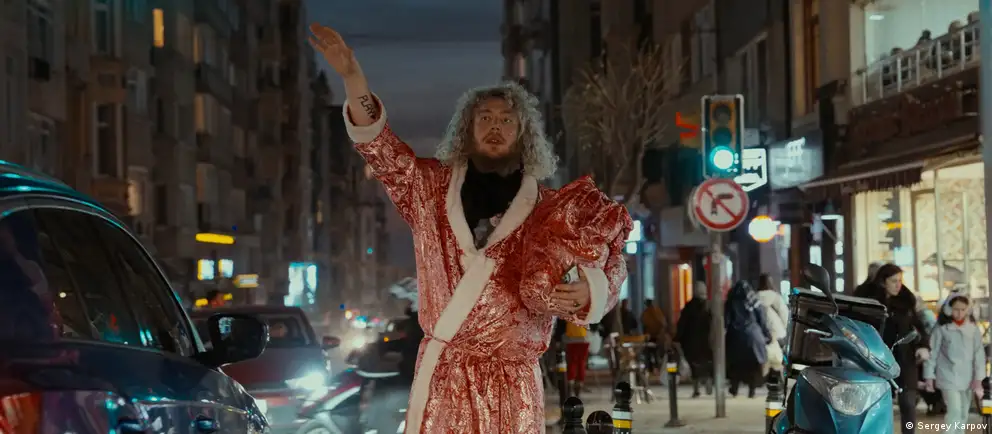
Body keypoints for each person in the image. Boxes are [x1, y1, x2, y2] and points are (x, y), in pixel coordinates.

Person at [309, 24, 631, 433]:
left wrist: (592, 288)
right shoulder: (428, 190)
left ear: (523, 133)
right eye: (485, 117)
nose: (495, 126)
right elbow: (381, 149)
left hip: (514, 386)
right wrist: (353, 78)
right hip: (446, 380)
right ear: (468, 127)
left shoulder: (550, 210)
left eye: (507, 119)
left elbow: (611, 259)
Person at [854, 263, 930, 434]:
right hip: (877, 359)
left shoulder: (906, 302)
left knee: (908, 404)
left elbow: (918, 326)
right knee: (878, 404)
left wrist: (922, 346)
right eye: (894, 281)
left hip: (905, 358)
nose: (898, 285)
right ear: (883, 282)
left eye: (900, 281)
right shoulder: (869, 301)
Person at [924, 294, 984, 434]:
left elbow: (979, 355)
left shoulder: (973, 330)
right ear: (949, 310)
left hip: (967, 377)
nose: (959, 313)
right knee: (954, 411)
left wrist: (979, 379)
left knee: (963, 413)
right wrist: (929, 376)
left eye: (963, 309)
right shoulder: (941, 329)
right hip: (947, 376)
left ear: (968, 310)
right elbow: (932, 353)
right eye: (956, 309)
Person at [725, 280, 771, 398]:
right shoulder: (754, 301)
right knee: (753, 366)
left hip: (735, 337)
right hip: (754, 337)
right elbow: (762, 319)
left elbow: (726, 321)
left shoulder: (730, 302)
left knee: (735, 365)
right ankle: (752, 390)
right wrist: (766, 335)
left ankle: (734, 388)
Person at [675, 281, 713, 398]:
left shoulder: (689, 307)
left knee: (694, 365)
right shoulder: (709, 307)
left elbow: (682, 324)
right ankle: (708, 382)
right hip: (706, 341)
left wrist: (677, 338)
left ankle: (696, 388)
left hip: (691, 342)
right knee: (707, 364)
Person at [756, 274, 787, 375]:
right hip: (778, 334)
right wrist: (785, 328)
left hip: (762, 335)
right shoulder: (776, 297)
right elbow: (785, 315)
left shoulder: (755, 298)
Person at [641, 299, 670, 375]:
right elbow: (663, 323)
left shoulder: (647, 313)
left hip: (650, 336)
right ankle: (657, 367)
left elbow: (643, 322)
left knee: (649, 352)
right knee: (655, 352)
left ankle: (650, 368)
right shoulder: (657, 311)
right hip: (657, 336)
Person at [563, 321, 592, 397]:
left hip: (570, 338)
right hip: (585, 338)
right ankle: (579, 386)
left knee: (572, 362)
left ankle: (570, 385)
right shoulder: (587, 312)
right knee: (581, 362)